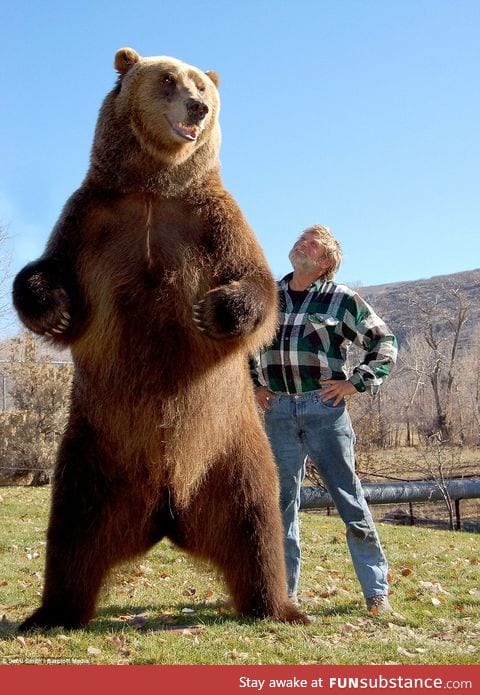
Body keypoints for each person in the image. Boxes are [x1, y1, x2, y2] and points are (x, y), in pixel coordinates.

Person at [250, 224, 398, 615]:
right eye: (300, 238)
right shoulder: (268, 296)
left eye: (312, 243)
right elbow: (242, 346)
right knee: (279, 505)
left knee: (349, 499)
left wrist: (355, 383)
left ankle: (375, 592)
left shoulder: (342, 300)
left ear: (326, 262)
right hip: (278, 410)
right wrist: (254, 386)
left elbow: (384, 342)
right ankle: (284, 596)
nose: (301, 243)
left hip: (324, 410)